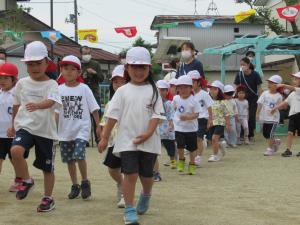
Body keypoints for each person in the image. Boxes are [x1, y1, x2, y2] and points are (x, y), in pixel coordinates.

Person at [98, 47, 165, 225]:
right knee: (130, 174)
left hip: (149, 141)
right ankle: (129, 209)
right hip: (127, 141)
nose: (138, 71)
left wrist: (148, 134)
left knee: (147, 176)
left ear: (149, 69)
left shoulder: (154, 91)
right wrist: (104, 137)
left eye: (143, 67)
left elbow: (156, 116)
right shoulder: (122, 91)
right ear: (127, 68)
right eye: (134, 67)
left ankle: (146, 194)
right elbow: (112, 116)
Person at [8, 41, 62, 212]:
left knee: (47, 168)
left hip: (45, 131)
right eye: (30, 64)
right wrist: (14, 124)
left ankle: (48, 198)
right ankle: (26, 180)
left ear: (47, 62)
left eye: (38, 63)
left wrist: (38, 105)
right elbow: (16, 104)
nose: (34, 67)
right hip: (25, 126)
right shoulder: (21, 83)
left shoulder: (52, 84)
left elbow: (52, 101)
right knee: (15, 151)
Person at [56, 55, 100, 200]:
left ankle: (85, 181)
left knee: (79, 154)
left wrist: (98, 127)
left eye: (72, 69)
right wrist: (52, 129)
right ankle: (75, 185)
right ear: (61, 70)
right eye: (65, 68)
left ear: (79, 73)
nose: (68, 72)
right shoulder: (59, 89)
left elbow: (94, 108)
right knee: (69, 160)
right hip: (65, 130)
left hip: (81, 128)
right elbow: (56, 111)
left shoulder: (84, 88)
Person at [99, 64, 126, 207]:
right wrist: (103, 136)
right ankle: (121, 184)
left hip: (128, 140)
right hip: (113, 141)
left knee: (128, 169)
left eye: (123, 81)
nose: (119, 84)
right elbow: (105, 121)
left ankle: (125, 195)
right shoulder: (110, 103)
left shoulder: (132, 99)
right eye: (116, 81)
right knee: (112, 169)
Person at [0, 62, 29, 192]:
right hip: (0, 134)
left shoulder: (18, 95)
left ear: (14, 79)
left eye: (6, 78)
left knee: (16, 160)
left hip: (13, 134)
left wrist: (15, 127)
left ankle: (22, 179)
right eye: (0, 78)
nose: (2, 81)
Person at [172, 75, 200, 175]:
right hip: (179, 128)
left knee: (192, 148)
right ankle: (181, 160)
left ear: (191, 88)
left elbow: (197, 114)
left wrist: (188, 117)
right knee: (180, 146)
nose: (183, 90)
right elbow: (174, 109)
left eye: (186, 87)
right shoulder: (175, 98)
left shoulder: (194, 100)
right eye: (180, 87)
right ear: (178, 88)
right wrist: (173, 122)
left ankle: (192, 164)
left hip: (191, 129)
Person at [271, 72, 300, 157]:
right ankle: (288, 150)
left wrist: (282, 85)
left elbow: (293, 88)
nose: (294, 80)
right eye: (294, 79)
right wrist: (275, 108)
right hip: (292, 115)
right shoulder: (292, 93)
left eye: (296, 79)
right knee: (290, 133)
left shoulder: (297, 90)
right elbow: (285, 102)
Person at [234, 57, 262, 142]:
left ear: (248, 65)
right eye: (241, 64)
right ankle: (242, 135)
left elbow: (259, 87)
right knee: (241, 116)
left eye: (244, 64)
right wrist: (235, 96)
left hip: (253, 99)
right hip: (241, 99)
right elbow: (236, 86)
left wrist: (260, 99)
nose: (242, 66)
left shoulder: (255, 74)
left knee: (251, 116)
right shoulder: (239, 74)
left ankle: (250, 134)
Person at [188, 70, 212, 167]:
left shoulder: (204, 94)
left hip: (202, 118)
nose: (191, 85)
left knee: (198, 138)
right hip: (193, 119)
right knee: (193, 139)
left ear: (198, 83)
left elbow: (210, 106)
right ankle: (195, 155)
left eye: (193, 82)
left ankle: (199, 157)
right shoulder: (189, 95)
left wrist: (210, 119)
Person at [80, 45, 103, 143]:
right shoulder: (78, 64)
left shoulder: (95, 64)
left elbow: (101, 78)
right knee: (83, 117)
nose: (86, 55)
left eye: (88, 53)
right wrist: (82, 76)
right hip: (82, 93)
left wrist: (94, 73)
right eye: (85, 54)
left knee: (97, 115)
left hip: (94, 92)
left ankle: (99, 139)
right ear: (81, 54)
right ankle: (84, 140)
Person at [257, 75, 283, 156]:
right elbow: (260, 104)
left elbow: (280, 106)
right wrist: (257, 113)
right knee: (265, 134)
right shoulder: (265, 93)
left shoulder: (279, 96)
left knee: (270, 134)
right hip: (265, 118)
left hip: (274, 118)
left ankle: (270, 149)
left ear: (277, 85)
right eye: (269, 83)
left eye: (271, 83)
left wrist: (275, 108)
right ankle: (275, 142)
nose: (269, 84)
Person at [207, 81, 230, 162]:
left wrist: (228, 124)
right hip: (211, 123)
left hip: (220, 122)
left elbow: (227, 114)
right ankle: (220, 145)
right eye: (211, 89)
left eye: (215, 89)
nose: (212, 91)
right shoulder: (208, 100)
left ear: (219, 91)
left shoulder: (223, 102)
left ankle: (215, 155)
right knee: (210, 140)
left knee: (214, 138)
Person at [157, 80, 176, 170]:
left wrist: (171, 124)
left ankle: (173, 161)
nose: (161, 92)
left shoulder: (168, 103)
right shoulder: (153, 103)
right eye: (159, 90)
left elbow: (171, 115)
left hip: (166, 129)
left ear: (167, 91)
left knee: (170, 147)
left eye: (163, 90)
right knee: (154, 148)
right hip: (155, 129)